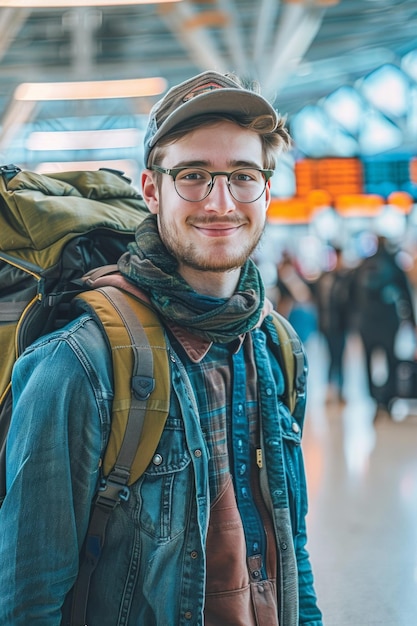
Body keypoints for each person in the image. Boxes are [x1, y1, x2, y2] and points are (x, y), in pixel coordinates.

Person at [0, 71, 322, 626]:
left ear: (267, 188)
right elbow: (29, 600)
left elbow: (292, 546)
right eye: (194, 175)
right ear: (153, 190)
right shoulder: (80, 363)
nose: (222, 202)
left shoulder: (277, 347)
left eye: (244, 176)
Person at [351, 234, 416, 416]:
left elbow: (352, 295)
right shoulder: (394, 265)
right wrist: (412, 322)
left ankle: (374, 397)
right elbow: (406, 296)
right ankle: (388, 398)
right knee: (391, 359)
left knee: (367, 360)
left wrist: (354, 319)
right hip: (388, 321)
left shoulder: (363, 266)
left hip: (366, 322)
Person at [314, 247, 353, 403]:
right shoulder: (324, 278)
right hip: (326, 325)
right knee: (330, 357)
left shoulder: (345, 279)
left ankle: (341, 389)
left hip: (340, 325)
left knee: (339, 357)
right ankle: (330, 389)